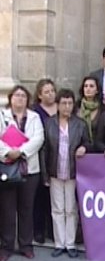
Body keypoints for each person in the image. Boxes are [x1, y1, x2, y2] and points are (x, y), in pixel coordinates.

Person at [44, 89, 91, 258]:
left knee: (71, 208)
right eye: (64, 103)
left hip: (72, 171)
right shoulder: (49, 123)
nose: (67, 107)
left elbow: (88, 143)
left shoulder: (80, 124)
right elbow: (44, 149)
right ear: (57, 105)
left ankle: (70, 244)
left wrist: (83, 147)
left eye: (70, 103)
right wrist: (45, 174)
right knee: (57, 208)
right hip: (54, 170)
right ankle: (59, 243)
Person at [0, 85, 44, 261]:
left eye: (23, 96)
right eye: (17, 95)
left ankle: (26, 245)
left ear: (28, 99)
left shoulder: (34, 117)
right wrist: (8, 152)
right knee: (7, 210)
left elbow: (38, 138)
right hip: (7, 169)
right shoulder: (2, 115)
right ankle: (6, 246)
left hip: (29, 169)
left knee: (27, 208)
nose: (20, 98)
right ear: (11, 98)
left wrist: (21, 151)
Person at [32, 78, 57, 244]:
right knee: (40, 195)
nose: (50, 94)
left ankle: (53, 230)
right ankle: (39, 230)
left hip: (57, 156)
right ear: (40, 95)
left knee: (55, 197)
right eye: (46, 92)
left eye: (52, 91)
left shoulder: (61, 107)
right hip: (41, 155)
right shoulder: (35, 111)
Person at [76, 75, 105, 149]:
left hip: (97, 149)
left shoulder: (103, 109)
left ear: (97, 90)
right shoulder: (76, 107)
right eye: (85, 86)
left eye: (91, 86)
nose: (88, 89)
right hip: (78, 149)